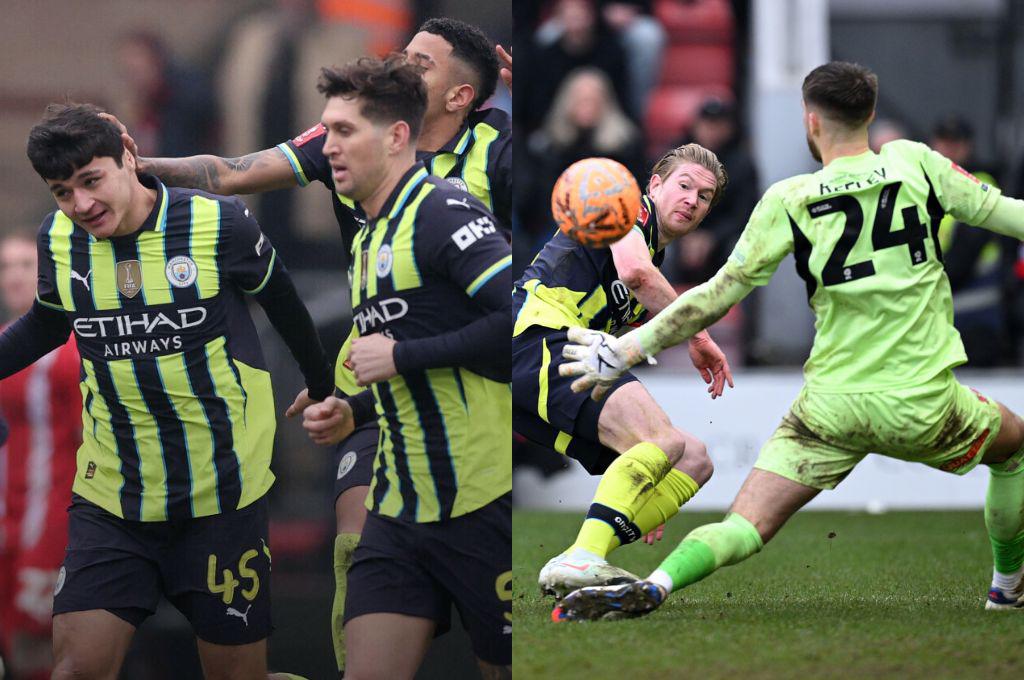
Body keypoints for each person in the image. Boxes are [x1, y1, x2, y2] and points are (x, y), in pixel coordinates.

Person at [106, 17, 512, 677]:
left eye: (424, 61)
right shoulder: (359, 169)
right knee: (357, 534)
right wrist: (133, 169)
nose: (404, 64)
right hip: (381, 393)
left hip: (476, 413)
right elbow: (233, 172)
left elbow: (519, 303)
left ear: (457, 98)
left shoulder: (472, 180)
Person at [553, 61, 1024, 621]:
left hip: (829, 407)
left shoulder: (790, 197)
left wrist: (627, 350)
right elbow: (1007, 215)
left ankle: (656, 584)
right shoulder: (915, 162)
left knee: (743, 525)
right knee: (1014, 450)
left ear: (811, 120)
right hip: (922, 399)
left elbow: (717, 293)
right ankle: (1006, 587)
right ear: (870, 115)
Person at [1, 103, 334, 678]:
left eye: (91, 181)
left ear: (128, 158)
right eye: (62, 192)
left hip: (221, 495)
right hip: (113, 497)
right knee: (75, 669)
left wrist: (324, 385)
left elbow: (284, 304)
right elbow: (49, 321)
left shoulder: (217, 223)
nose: (80, 205)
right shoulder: (58, 239)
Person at [298, 55, 512, 679]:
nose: (327, 147)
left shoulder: (445, 211)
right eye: (325, 131)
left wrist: (399, 356)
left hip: (479, 499)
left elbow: (516, 325)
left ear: (395, 136)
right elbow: (422, 351)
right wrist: (356, 409)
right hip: (397, 508)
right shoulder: (367, 235)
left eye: (343, 132)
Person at [512, 143, 734, 597]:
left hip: (557, 356)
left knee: (692, 459)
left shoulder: (655, 250)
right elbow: (636, 274)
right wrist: (699, 335)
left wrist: (638, 496)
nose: (692, 200)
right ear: (654, 184)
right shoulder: (625, 206)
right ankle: (582, 557)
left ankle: (588, 551)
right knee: (663, 442)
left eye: (705, 197)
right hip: (536, 336)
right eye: (684, 186)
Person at [0, 230, 81, 680]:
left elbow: (87, 443)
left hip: (49, 521)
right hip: (5, 521)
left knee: (44, 645)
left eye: (24, 265)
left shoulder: (68, 354)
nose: (13, 276)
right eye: (5, 266)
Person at [929, 115, 1012, 367]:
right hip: (942, 311)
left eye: (956, 143)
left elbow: (965, 252)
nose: (948, 150)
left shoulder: (979, 183)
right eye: (943, 142)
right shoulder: (927, 184)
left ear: (968, 146)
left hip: (975, 311)